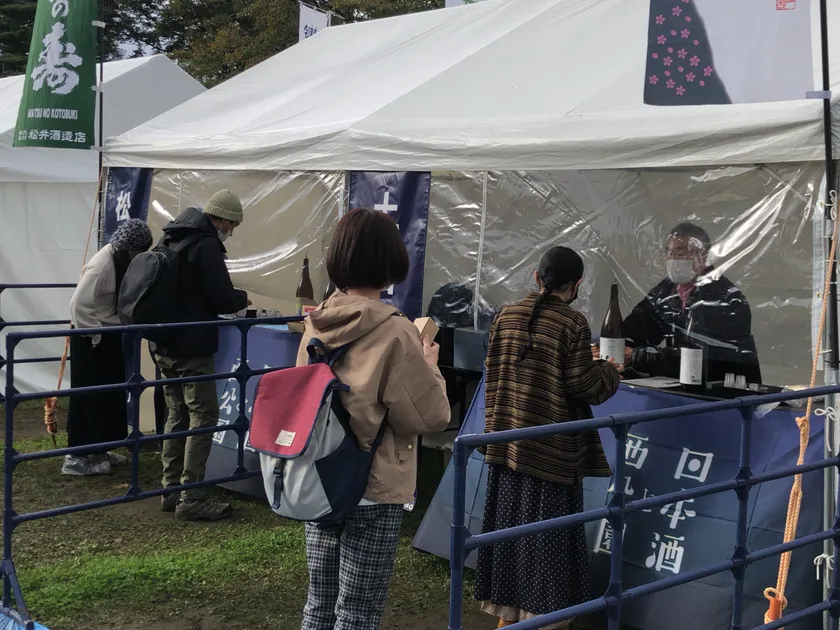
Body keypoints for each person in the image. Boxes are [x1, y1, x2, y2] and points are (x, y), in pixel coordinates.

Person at [298, 208, 451, 630]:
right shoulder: (395, 331)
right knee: (357, 613)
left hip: (321, 476)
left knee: (319, 604)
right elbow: (430, 415)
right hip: (374, 481)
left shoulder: (316, 322)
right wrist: (430, 366)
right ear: (391, 261)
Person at [475, 246, 621, 629]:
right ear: (577, 284)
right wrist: (609, 370)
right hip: (551, 457)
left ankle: (508, 619)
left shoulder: (505, 315)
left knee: (510, 542)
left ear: (537, 278)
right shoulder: (572, 323)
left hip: (505, 447)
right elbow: (584, 386)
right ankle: (545, 620)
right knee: (547, 548)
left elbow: (496, 367)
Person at [152, 190, 250, 521]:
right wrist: (242, 298)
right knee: (203, 415)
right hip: (192, 346)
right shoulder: (205, 245)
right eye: (232, 225)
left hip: (164, 342)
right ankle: (191, 497)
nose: (231, 232)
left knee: (177, 413)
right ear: (222, 219)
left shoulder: (170, 237)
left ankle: (169, 490)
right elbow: (221, 297)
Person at [63, 219, 153, 477]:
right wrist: (94, 335)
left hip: (107, 332)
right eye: (140, 250)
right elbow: (78, 304)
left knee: (109, 394)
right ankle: (77, 457)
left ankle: (101, 448)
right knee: (88, 395)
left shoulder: (119, 261)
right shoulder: (101, 266)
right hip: (89, 336)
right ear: (129, 249)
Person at [622, 222, 761, 383]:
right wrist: (618, 347)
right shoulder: (667, 290)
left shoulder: (724, 298)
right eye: (669, 252)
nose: (672, 259)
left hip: (726, 388)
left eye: (680, 253)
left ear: (703, 256)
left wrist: (638, 356)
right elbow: (637, 326)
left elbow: (702, 359)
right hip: (682, 382)